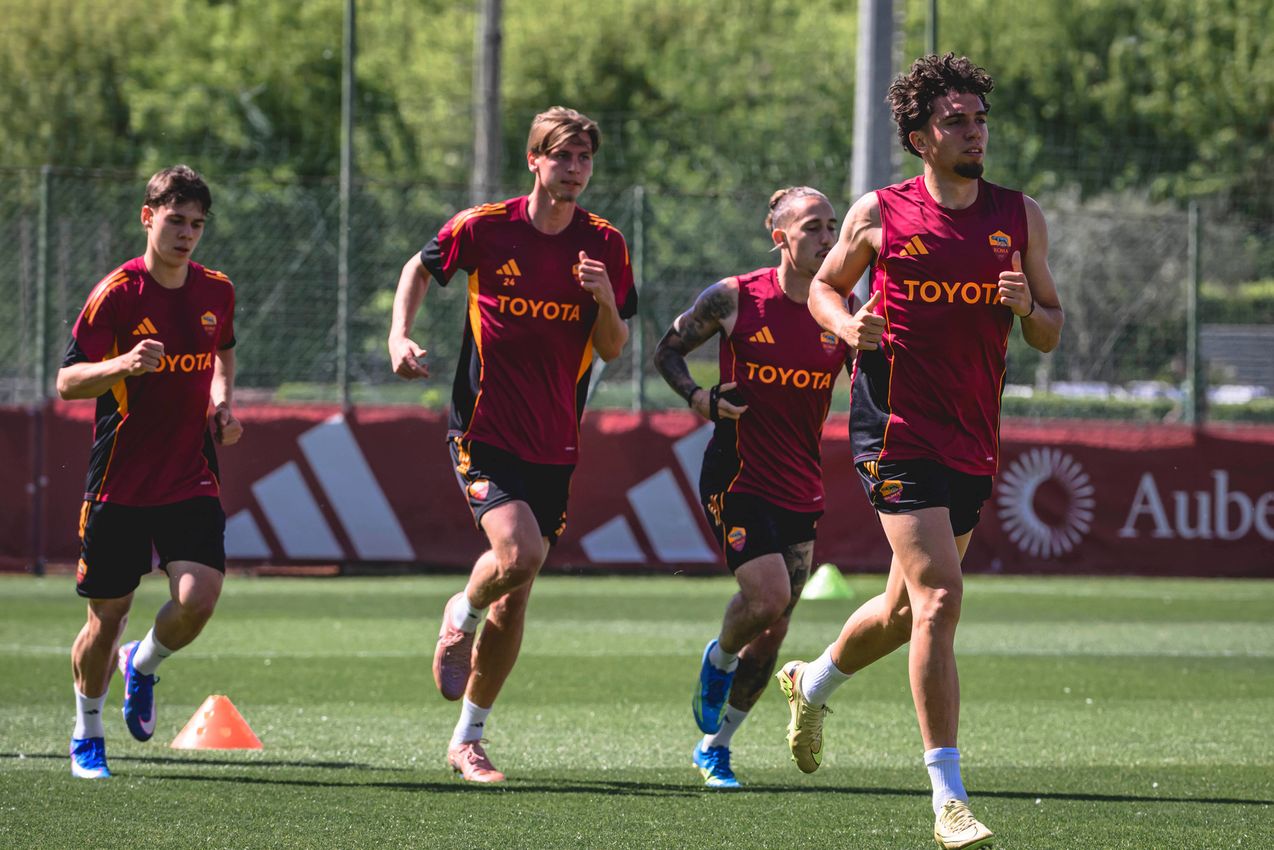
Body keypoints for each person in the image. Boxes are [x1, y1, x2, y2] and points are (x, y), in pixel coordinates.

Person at [776, 54, 1064, 849]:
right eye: (955, 122)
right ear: (920, 138)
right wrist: (847, 325)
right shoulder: (880, 212)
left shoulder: (1020, 217)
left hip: (972, 436)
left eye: (980, 120)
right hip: (894, 430)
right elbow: (822, 287)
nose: (975, 133)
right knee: (940, 599)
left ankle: (811, 681)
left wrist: (1026, 308)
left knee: (906, 612)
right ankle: (948, 796)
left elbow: (1050, 329)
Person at [387, 106, 637, 783]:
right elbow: (418, 267)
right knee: (519, 553)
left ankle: (468, 739)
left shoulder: (605, 244)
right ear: (534, 160)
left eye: (584, 158)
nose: (575, 169)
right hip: (483, 431)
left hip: (555, 443)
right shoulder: (484, 227)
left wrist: (604, 300)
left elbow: (614, 346)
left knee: (517, 592)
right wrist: (398, 336)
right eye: (562, 156)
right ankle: (461, 611)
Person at [653, 187, 847, 789]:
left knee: (775, 630)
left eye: (832, 226)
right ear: (780, 236)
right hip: (737, 475)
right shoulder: (735, 297)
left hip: (801, 482)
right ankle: (718, 658)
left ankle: (715, 747)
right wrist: (698, 397)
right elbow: (668, 350)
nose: (826, 238)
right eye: (813, 227)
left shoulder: (841, 311)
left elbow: (879, 383)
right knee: (765, 600)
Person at [58, 165, 243, 779]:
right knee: (105, 620)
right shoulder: (117, 293)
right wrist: (123, 364)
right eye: (175, 220)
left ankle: (143, 663)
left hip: (190, 474)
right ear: (148, 217)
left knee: (198, 599)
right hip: (119, 482)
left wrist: (222, 405)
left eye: (197, 224)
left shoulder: (217, 291)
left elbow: (224, 353)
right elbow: (66, 382)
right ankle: (87, 732)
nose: (186, 234)